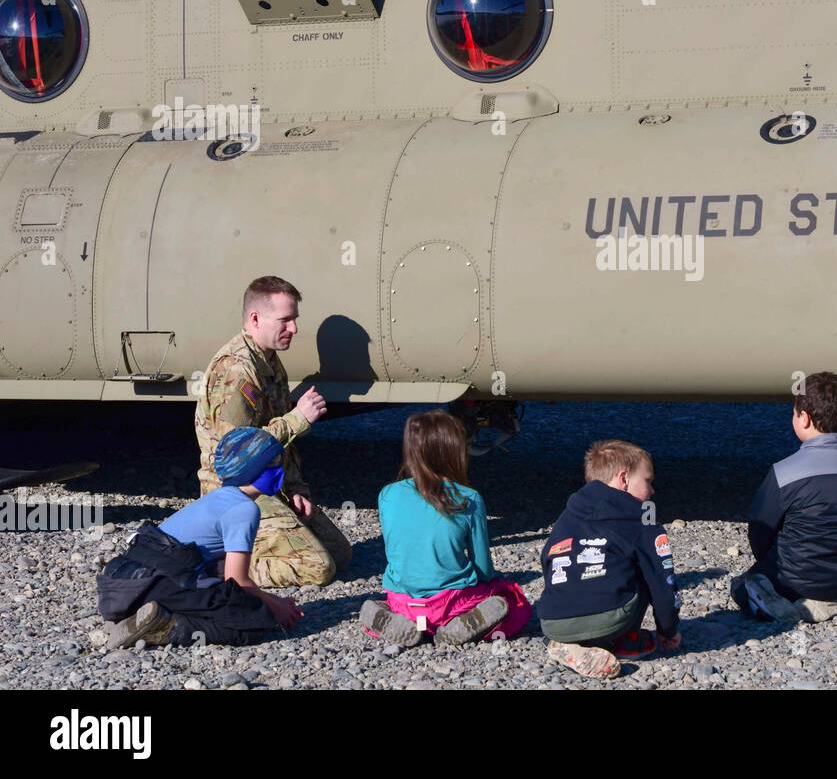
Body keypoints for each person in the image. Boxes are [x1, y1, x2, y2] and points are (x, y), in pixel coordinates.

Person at [194, 275, 352, 588]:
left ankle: (248, 551)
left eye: (295, 319)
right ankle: (221, 568)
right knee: (319, 569)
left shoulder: (268, 361)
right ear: (255, 318)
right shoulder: (236, 371)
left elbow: (284, 445)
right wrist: (298, 419)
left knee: (340, 553)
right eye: (285, 320)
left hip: (267, 484)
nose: (293, 328)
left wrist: (295, 487)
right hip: (235, 494)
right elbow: (236, 457)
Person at [97, 428, 304, 649]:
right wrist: (276, 607)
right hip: (155, 581)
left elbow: (221, 573)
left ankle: (139, 615)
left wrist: (270, 601)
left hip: (125, 582)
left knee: (232, 597)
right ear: (253, 467)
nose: (280, 466)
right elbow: (237, 582)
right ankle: (167, 627)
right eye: (274, 460)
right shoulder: (244, 509)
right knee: (250, 624)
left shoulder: (219, 497)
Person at [360, 410, 531, 647]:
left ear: (411, 450)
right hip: (452, 602)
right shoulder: (469, 498)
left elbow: (397, 551)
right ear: (454, 452)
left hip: (403, 600)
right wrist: (493, 584)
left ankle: (387, 616)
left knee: (392, 601)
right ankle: (460, 622)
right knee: (511, 600)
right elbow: (483, 567)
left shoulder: (387, 494)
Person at [732, 371, 837, 623]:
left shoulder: (784, 471)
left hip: (792, 578)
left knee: (741, 586)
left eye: (794, 412)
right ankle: (828, 600)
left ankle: (776, 602)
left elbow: (759, 528)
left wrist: (768, 563)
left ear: (804, 418)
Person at [536, 440, 681, 679]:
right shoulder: (641, 517)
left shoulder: (569, 513)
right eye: (648, 481)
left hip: (552, 620)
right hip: (608, 618)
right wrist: (668, 629)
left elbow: (547, 559)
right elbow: (663, 582)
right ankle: (625, 639)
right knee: (647, 566)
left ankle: (567, 643)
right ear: (623, 478)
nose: (652, 491)